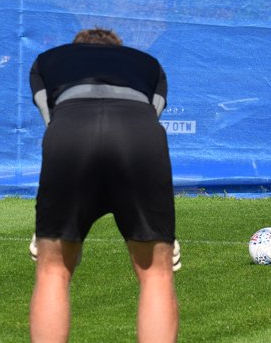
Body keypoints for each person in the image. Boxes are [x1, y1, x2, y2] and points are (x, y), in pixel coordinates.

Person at [28, 28, 178, 343]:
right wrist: (162, 235)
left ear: (77, 48)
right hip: (138, 135)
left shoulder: (47, 61)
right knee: (156, 273)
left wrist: (47, 230)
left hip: (70, 133)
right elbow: (151, 117)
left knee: (53, 269)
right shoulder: (149, 64)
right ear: (118, 50)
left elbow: (53, 121)